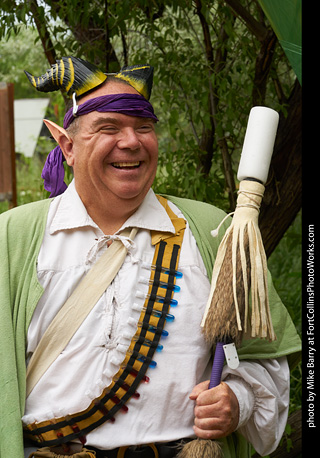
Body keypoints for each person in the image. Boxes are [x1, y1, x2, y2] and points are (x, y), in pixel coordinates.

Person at [0, 57, 301, 458]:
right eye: (108, 127)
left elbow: (265, 361)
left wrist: (238, 400)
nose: (131, 141)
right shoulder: (12, 237)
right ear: (67, 145)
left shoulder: (212, 230)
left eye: (144, 127)